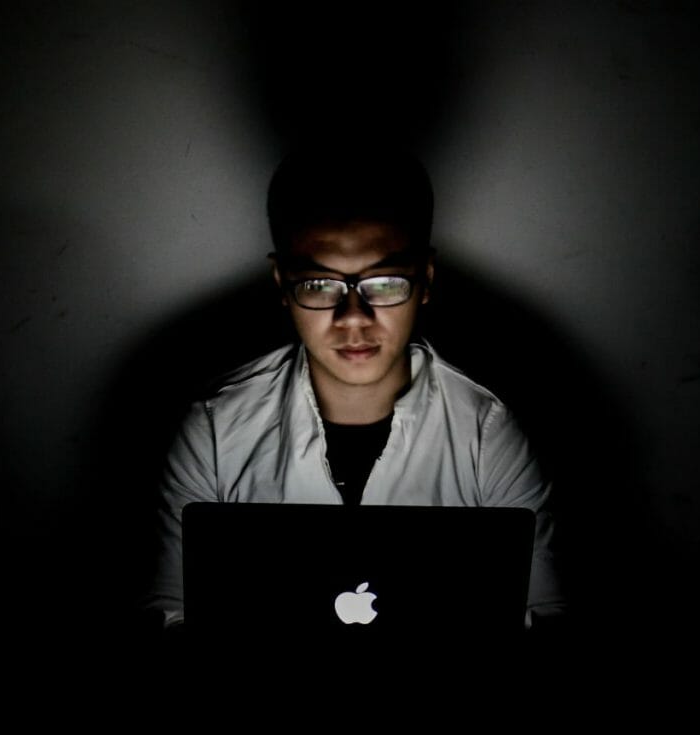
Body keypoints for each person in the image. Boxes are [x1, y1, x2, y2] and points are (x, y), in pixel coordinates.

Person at [145, 144, 566, 642]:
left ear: (425, 279)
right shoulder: (214, 430)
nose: (353, 318)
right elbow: (173, 614)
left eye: (384, 283)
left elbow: (542, 617)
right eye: (319, 284)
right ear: (282, 283)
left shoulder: (487, 434)